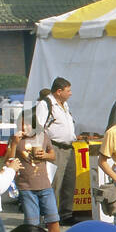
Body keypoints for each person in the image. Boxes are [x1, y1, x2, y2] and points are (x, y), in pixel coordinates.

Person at [8, 113, 60, 232]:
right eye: (21, 124)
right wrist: (14, 144)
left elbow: (53, 155)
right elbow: (8, 160)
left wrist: (45, 156)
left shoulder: (43, 136)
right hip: (26, 187)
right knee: (32, 224)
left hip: (45, 185)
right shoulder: (15, 139)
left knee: (53, 220)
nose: (24, 127)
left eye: (27, 124)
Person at [34, 77, 77, 223]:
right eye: (68, 90)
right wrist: (42, 150)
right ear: (59, 91)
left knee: (69, 182)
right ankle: (49, 217)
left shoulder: (65, 105)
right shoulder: (45, 104)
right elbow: (39, 128)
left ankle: (66, 214)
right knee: (54, 183)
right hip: (55, 147)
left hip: (68, 147)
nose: (70, 93)